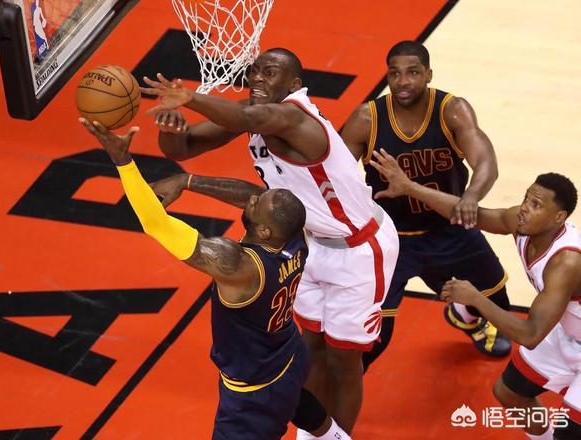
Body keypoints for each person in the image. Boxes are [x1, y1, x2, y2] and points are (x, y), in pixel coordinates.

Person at [141, 47, 400, 435]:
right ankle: (315, 433)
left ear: (294, 84)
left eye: (270, 72)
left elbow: (249, 118)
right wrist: (172, 131)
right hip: (309, 242)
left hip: (359, 248)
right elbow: (186, 148)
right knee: (310, 347)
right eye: (256, 71)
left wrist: (190, 97)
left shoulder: (295, 117)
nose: (258, 78)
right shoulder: (253, 112)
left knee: (344, 360)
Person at [78, 117, 332, 440]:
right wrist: (187, 181)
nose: (252, 197)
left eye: (257, 204)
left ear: (265, 231)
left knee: (281, 408)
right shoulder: (295, 236)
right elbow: (253, 196)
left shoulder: (237, 264)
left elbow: (157, 224)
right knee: (298, 402)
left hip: (255, 395)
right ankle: (336, 436)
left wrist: (123, 161)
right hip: (289, 355)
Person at [371, 149, 581, 440]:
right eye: (526, 199)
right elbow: (469, 214)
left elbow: (530, 334)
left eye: (536, 205)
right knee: (509, 393)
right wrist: (410, 187)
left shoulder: (566, 262)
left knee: (569, 434)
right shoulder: (520, 222)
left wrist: (475, 298)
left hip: (556, 332)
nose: (524, 208)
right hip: (568, 333)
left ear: (559, 217)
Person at [341, 40, 511, 368]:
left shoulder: (451, 110)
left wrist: (471, 196)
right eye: (395, 74)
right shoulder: (367, 118)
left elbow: (485, 160)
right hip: (391, 239)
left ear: (428, 74)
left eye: (413, 72)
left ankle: (465, 316)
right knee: (373, 343)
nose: (402, 81)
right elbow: (337, 177)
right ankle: (333, 398)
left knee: (498, 304)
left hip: (449, 227)